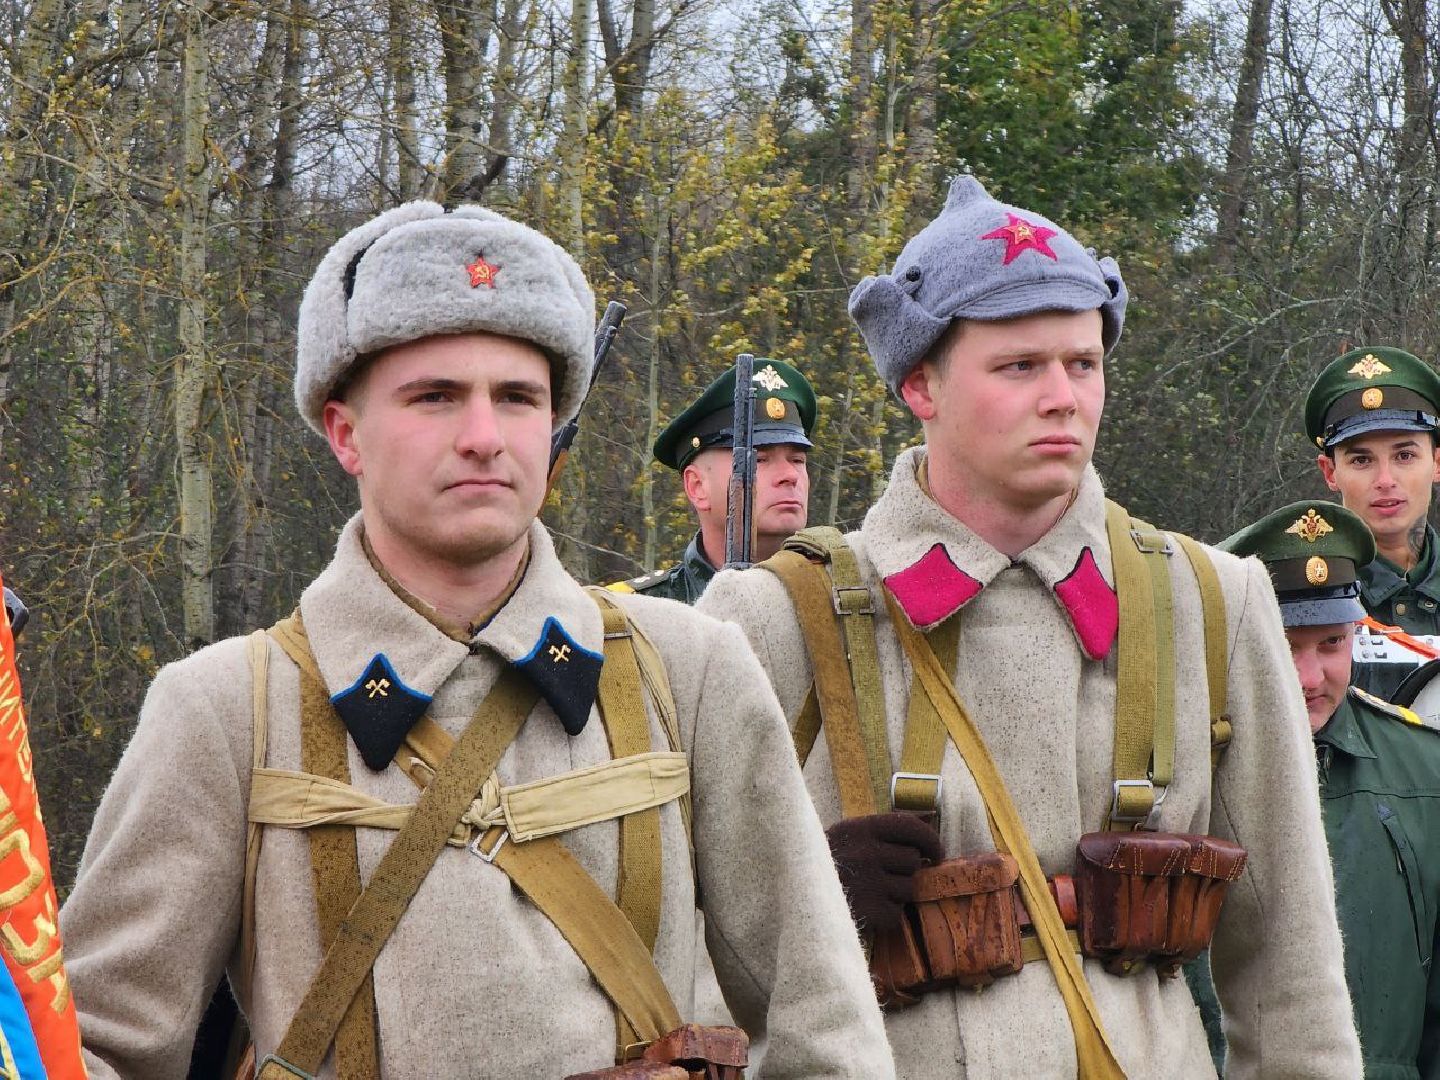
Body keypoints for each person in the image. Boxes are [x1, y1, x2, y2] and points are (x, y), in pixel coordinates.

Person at [58, 203, 891, 1079]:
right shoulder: (226, 708)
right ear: (346, 433)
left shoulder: (692, 670)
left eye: (519, 398)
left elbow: (826, 1032)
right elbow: (90, 1047)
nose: (485, 437)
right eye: (435, 397)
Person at [698, 175, 1361, 1076]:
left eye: (1083, 363)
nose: (1064, 397)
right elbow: (681, 972)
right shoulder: (774, 617)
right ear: (919, 383)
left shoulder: (1215, 602)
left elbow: (1291, 978)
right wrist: (799, 903)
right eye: (1020, 367)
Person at [1221, 499, 1440, 1077]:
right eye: (1286, 646)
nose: (1310, 679)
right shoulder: (1182, 771)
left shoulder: (1425, 770)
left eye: (1331, 644)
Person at [613, 359, 815, 602]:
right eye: (759, 460)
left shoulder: (846, 604)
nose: (790, 476)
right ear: (697, 486)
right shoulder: (639, 612)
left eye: (797, 460)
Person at [1304, 346, 1440, 698]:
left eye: (1405, 455)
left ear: (1437, 463)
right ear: (1330, 472)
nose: (1385, 479)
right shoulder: (1300, 595)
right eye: (1362, 460)